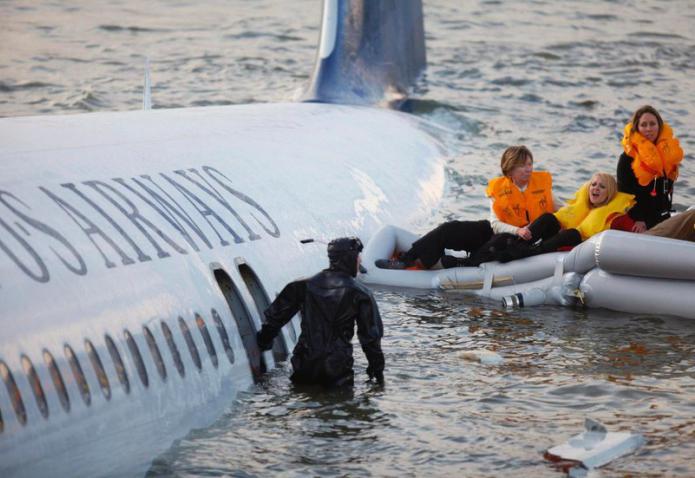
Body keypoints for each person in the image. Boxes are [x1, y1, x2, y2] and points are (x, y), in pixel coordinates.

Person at [376, 145, 559, 269]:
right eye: (522, 166)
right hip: (498, 230)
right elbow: (495, 223)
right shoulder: (499, 189)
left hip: (515, 241)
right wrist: (516, 230)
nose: (528, 169)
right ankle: (407, 259)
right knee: (450, 228)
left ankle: (462, 262)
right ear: (510, 169)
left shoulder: (541, 187)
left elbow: (563, 209)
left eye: (530, 164)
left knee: (500, 241)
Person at [256, 237, 385, 387]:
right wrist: (377, 370)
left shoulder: (301, 286)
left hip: (304, 363)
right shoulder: (361, 293)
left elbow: (274, 319)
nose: (359, 261)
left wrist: (263, 342)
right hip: (337, 367)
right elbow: (370, 338)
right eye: (358, 257)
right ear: (350, 259)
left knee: (302, 397)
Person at [490, 172, 635, 262]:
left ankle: (529, 252)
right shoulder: (582, 206)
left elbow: (634, 234)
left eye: (602, 187)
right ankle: (516, 245)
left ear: (609, 193)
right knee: (549, 218)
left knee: (572, 233)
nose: (595, 188)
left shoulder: (615, 217)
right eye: (593, 185)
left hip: (579, 248)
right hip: (555, 240)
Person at [617, 105, 684, 232]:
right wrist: (639, 219)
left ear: (659, 127)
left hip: (662, 219)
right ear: (637, 128)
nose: (649, 129)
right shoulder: (626, 159)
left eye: (652, 124)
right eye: (644, 125)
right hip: (638, 222)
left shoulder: (666, 157)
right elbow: (624, 193)